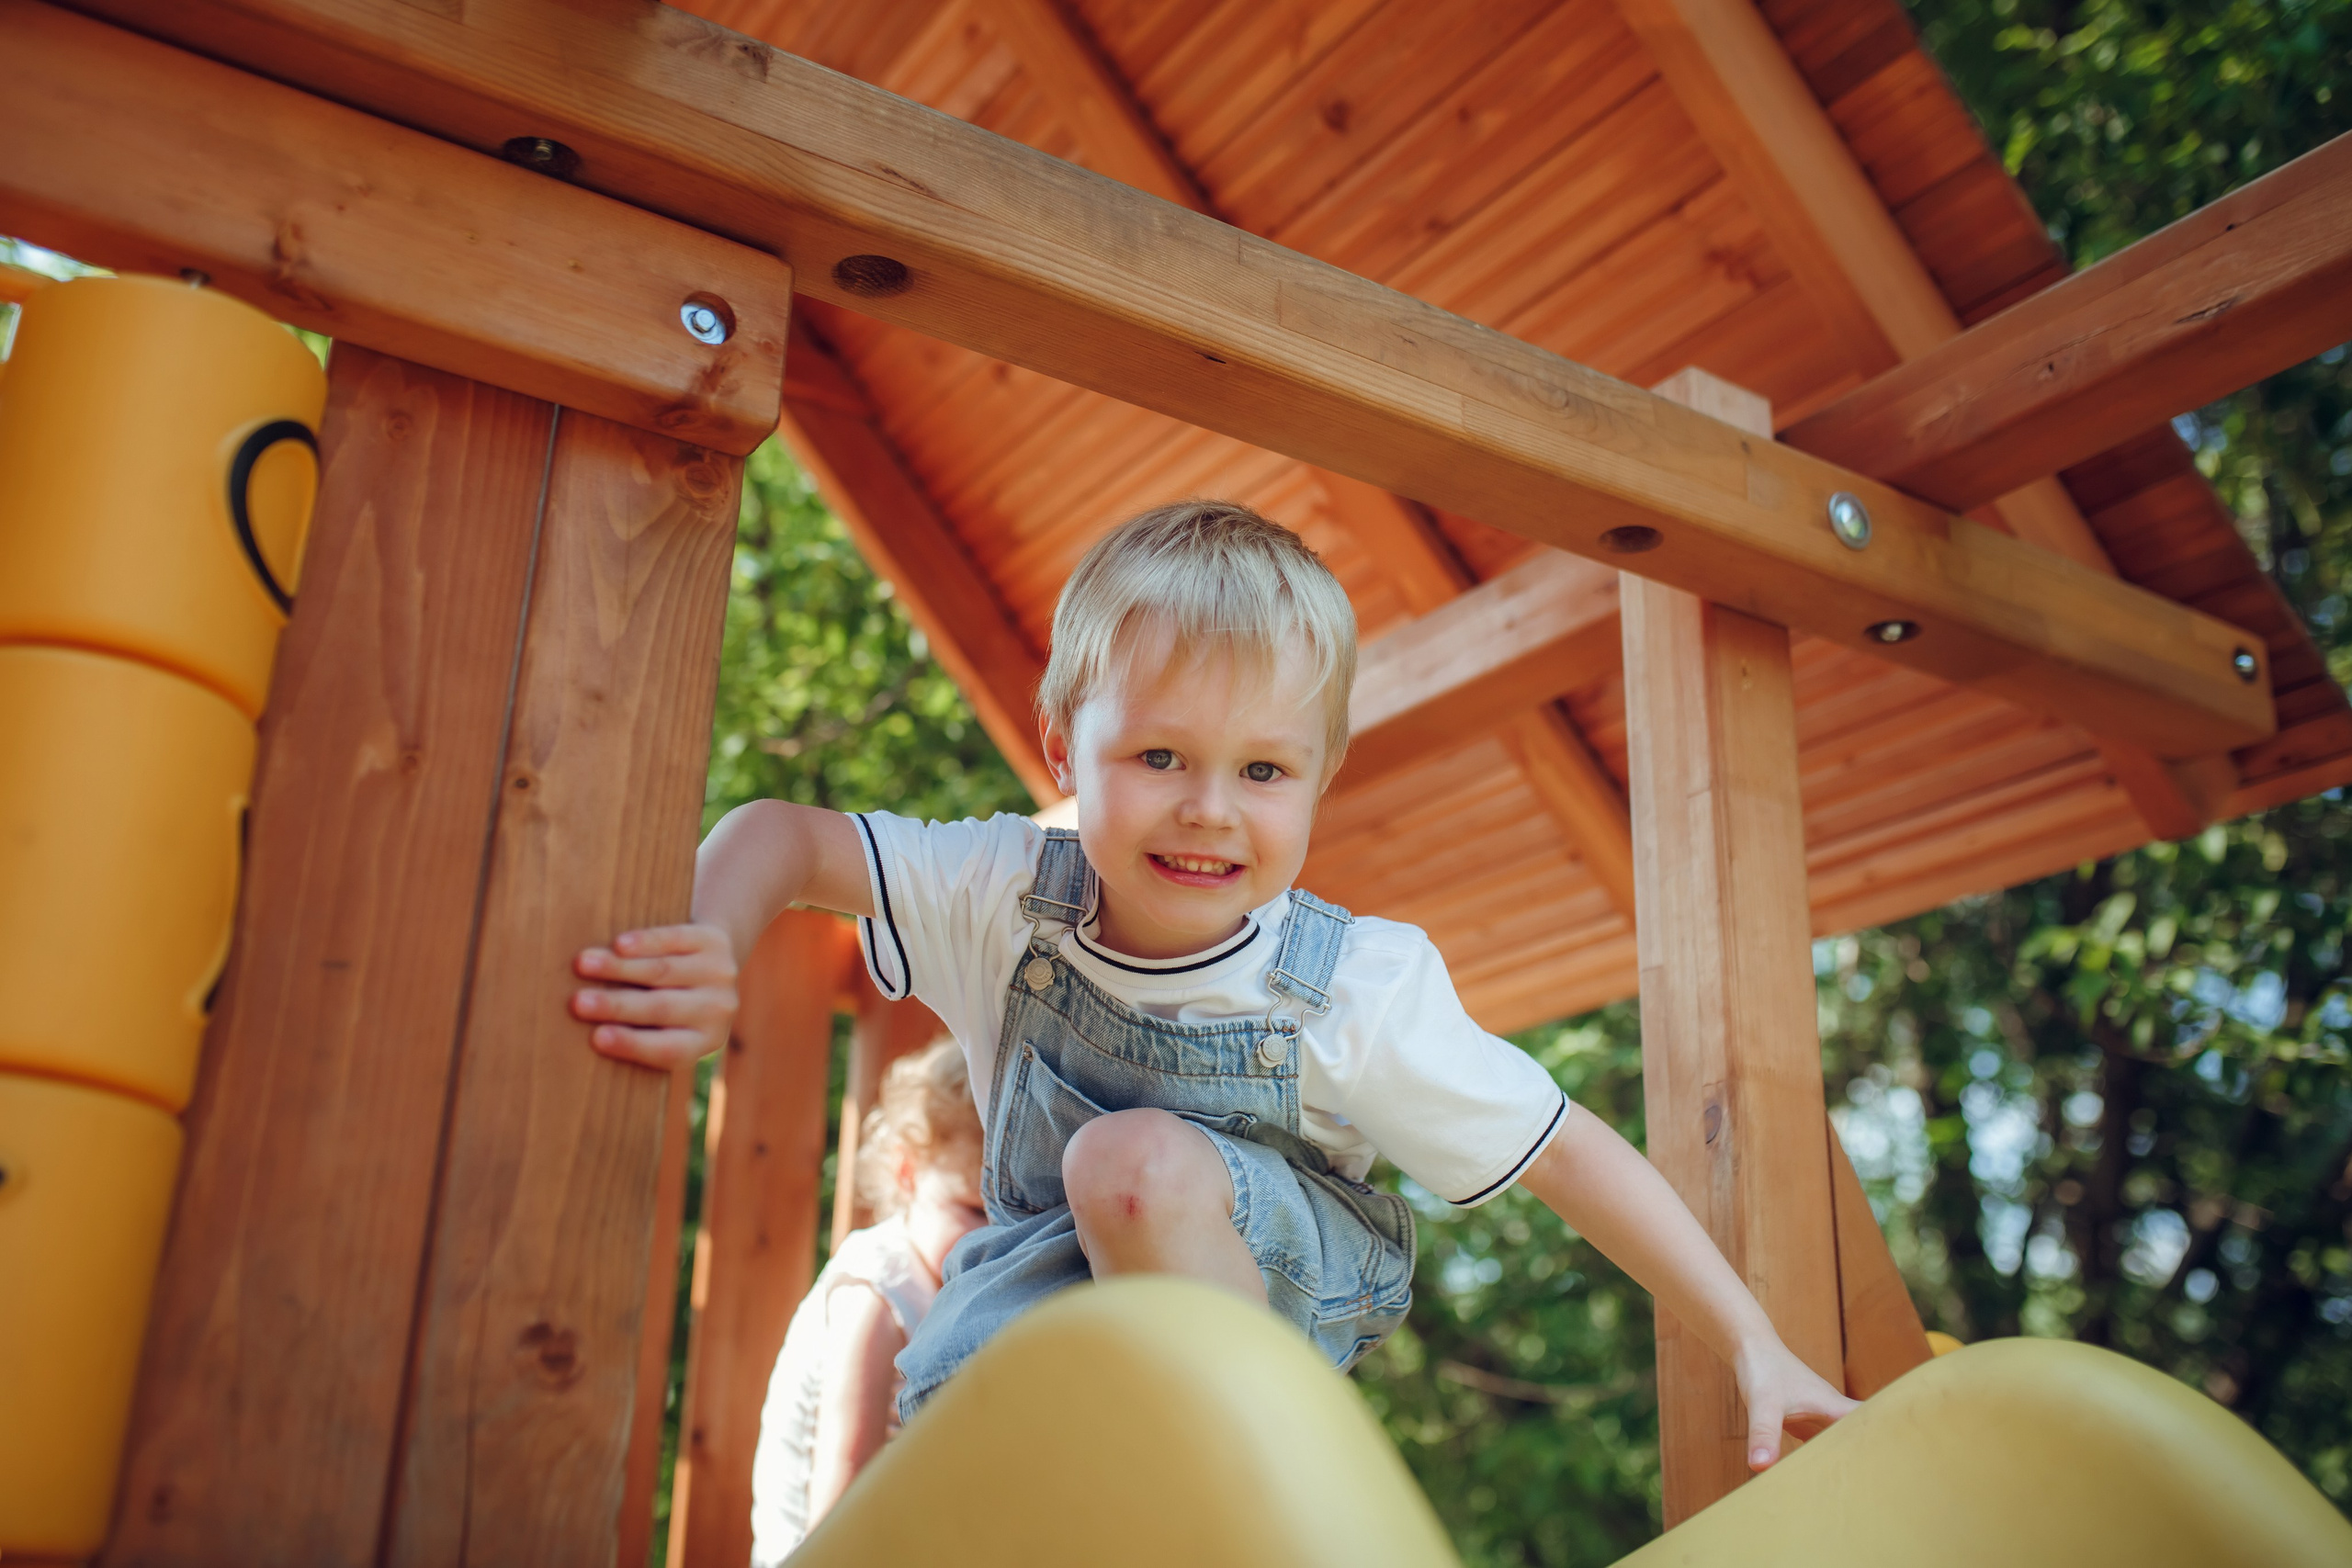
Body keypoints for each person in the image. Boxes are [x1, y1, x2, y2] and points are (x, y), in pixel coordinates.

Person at [571, 500, 1857, 1471]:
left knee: (1130, 1161)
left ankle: (1247, 1466)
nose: (1208, 808)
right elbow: (783, 836)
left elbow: (1565, 1149)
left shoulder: (1350, 987)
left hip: (1274, 1283)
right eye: (1159, 755)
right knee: (942, 1411)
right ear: (1061, 744)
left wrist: (1753, 1341)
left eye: (1263, 771)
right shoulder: (1003, 892)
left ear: (1321, 776)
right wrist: (711, 936)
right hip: (1052, 1278)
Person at [747, 1038, 985, 1563]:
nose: (987, 1241)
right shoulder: (878, 1291)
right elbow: (840, 1496)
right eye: (972, 1210)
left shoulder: (962, 1287)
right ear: (906, 1172)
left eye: (1008, 1216)